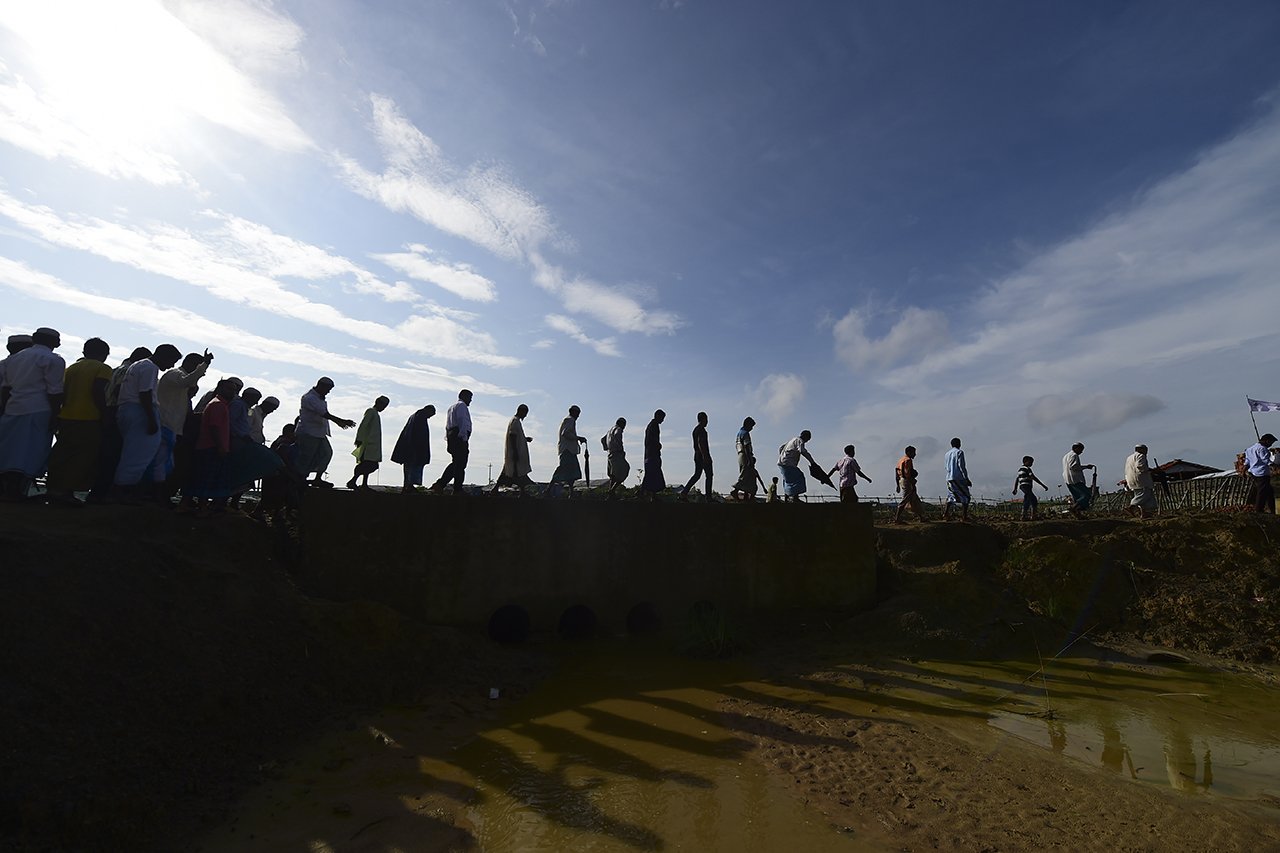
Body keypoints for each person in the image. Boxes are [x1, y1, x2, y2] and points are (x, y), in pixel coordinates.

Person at [0, 327, 65, 500]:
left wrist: (3, 410)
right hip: (38, 409)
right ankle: (16, 491)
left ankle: (10, 490)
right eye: (57, 339)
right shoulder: (53, 360)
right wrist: (56, 414)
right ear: (51, 342)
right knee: (31, 450)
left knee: (10, 450)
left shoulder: (14, 359)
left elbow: (6, 389)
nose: (59, 343)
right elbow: (54, 391)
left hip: (13, 408)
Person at [45, 337, 111, 505]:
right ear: (104, 354)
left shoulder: (71, 368)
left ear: (84, 351)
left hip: (66, 415)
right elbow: (98, 391)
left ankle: (53, 489)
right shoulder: (103, 368)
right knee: (82, 457)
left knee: (62, 454)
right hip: (89, 418)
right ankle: (66, 492)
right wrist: (105, 414)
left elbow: (62, 392)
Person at [113, 344, 182, 499]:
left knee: (131, 452)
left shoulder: (138, 364)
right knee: (139, 454)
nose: (171, 365)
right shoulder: (150, 367)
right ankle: (123, 491)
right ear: (164, 356)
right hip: (140, 411)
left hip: (127, 409)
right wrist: (151, 420)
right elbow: (145, 393)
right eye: (171, 361)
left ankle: (122, 490)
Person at [155, 350, 214, 494]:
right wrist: (204, 365)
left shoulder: (181, 383)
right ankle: (154, 495)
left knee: (167, 464)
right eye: (199, 368)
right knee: (160, 464)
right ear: (191, 364)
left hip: (173, 427)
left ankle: (160, 495)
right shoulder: (174, 374)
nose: (202, 374)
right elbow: (187, 380)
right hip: (165, 425)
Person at [294, 377, 356, 488]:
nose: (328, 392)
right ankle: (300, 478)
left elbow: (325, 414)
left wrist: (339, 422)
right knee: (307, 457)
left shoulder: (320, 398)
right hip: (308, 432)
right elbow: (323, 414)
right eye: (328, 389)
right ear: (321, 386)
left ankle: (317, 478)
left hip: (319, 433)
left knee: (326, 453)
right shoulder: (309, 398)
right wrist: (340, 421)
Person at [431, 389, 473, 495]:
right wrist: (463, 438)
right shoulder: (462, 406)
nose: (470, 401)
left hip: (452, 436)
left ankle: (440, 484)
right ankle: (457, 489)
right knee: (460, 464)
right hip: (459, 437)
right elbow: (462, 421)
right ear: (464, 396)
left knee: (456, 463)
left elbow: (448, 425)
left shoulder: (451, 408)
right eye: (470, 398)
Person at [347, 396, 389, 490]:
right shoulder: (371, 412)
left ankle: (363, 483)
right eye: (383, 405)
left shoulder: (375, 414)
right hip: (368, 444)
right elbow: (363, 425)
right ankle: (353, 481)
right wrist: (359, 439)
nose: (384, 407)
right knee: (367, 464)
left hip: (373, 445)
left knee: (370, 464)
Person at [390, 404, 435, 493]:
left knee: (408, 467)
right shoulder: (421, 417)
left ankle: (406, 485)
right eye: (431, 415)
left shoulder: (415, 416)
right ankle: (409, 486)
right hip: (414, 448)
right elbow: (419, 435)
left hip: (409, 446)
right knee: (412, 466)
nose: (430, 417)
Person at [496, 404, 534, 494]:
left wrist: (525, 439)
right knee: (517, 473)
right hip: (514, 453)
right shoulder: (515, 421)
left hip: (515, 453)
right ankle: (523, 492)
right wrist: (515, 452)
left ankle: (495, 489)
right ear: (521, 411)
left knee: (508, 472)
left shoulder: (516, 421)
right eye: (525, 413)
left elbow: (516, 436)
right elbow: (512, 436)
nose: (525, 415)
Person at [550, 405, 588, 496]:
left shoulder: (569, 420)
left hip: (569, 450)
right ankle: (548, 489)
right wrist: (578, 438)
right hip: (567, 450)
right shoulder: (570, 420)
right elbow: (565, 433)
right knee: (563, 471)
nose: (578, 416)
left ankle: (571, 492)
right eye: (577, 414)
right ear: (573, 412)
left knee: (572, 473)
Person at [680, 412, 713, 501]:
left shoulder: (695, 430)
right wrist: (705, 456)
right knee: (709, 475)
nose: (707, 422)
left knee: (697, 475)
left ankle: (684, 492)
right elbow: (700, 443)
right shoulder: (701, 430)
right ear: (703, 419)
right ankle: (708, 497)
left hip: (697, 455)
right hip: (703, 455)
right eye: (706, 419)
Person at [777, 430, 817, 501]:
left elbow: (781, 448)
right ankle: (794, 497)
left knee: (788, 480)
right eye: (808, 439)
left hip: (782, 462)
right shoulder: (799, 440)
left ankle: (788, 496)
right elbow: (802, 451)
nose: (807, 441)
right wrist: (812, 462)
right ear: (805, 436)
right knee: (799, 477)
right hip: (788, 463)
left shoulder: (792, 440)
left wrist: (782, 455)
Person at [893, 445, 928, 523]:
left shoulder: (901, 460)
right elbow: (906, 473)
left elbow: (896, 471)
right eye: (913, 453)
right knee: (905, 499)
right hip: (907, 481)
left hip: (902, 480)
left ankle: (922, 517)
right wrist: (912, 481)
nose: (915, 454)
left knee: (915, 500)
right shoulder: (908, 460)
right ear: (909, 452)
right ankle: (897, 518)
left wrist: (897, 484)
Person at [1244, 433, 1277, 514]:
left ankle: (1272, 510)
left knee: (1269, 491)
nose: (1270, 445)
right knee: (1261, 492)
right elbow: (1265, 460)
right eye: (1271, 443)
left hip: (1253, 472)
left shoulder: (1250, 449)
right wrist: (1275, 465)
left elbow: (1247, 462)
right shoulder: (1262, 449)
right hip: (1262, 473)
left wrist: (1244, 469)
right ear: (1267, 441)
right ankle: (1258, 510)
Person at [1062, 442, 1096, 516]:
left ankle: (1078, 514)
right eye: (1081, 449)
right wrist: (1085, 467)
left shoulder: (1066, 456)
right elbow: (1073, 467)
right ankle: (1074, 508)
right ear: (1076, 448)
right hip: (1075, 479)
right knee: (1086, 495)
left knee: (1076, 497)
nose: (1081, 452)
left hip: (1068, 480)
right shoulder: (1074, 455)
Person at [1124, 444, 1158, 519]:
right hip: (1141, 479)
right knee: (1144, 494)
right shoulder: (1141, 456)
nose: (1146, 452)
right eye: (1146, 450)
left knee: (1141, 497)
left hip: (1131, 479)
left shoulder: (1129, 458)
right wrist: (1151, 470)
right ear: (1141, 450)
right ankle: (1131, 507)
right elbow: (1140, 466)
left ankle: (1144, 514)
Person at [942, 437, 972, 522]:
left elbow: (945, 466)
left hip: (949, 477)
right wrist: (966, 478)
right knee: (966, 496)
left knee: (951, 495)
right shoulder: (959, 452)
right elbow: (961, 466)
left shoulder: (947, 454)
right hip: (958, 478)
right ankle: (964, 516)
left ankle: (946, 514)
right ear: (959, 444)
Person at [1013, 455, 1048, 520]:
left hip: (1023, 486)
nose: (1032, 464)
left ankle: (1025, 515)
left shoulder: (1020, 470)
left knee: (1028, 498)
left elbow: (1017, 479)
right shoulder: (1027, 469)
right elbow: (1033, 477)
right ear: (1026, 462)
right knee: (1033, 499)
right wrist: (1043, 485)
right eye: (1031, 462)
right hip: (1026, 486)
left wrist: (1015, 489)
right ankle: (1031, 516)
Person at [641, 409, 666, 499]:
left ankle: (650, 494)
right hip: (653, 454)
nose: (662, 420)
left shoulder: (650, 426)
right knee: (653, 474)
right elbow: (653, 439)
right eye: (662, 418)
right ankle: (644, 492)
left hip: (649, 454)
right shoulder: (654, 425)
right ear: (658, 416)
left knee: (651, 474)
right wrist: (658, 445)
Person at [602, 417, 629, 499]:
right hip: (617, 454)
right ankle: (612, 490)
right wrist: (620, 448)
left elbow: (602, 439)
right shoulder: (618, 429)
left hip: (610, 454)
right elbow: (617, 435)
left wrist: (607, 448)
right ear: (622, 424)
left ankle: (611, 494)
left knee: (613, 475)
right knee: (625, 470)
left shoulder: (610, 430)